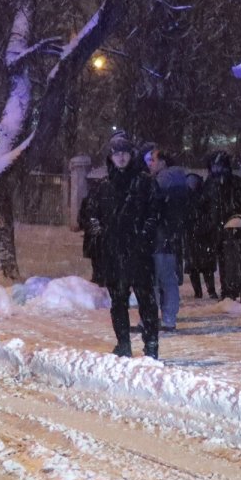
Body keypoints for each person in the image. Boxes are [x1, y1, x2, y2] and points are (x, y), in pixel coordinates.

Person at [78, 131, 162, 359]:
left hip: (139, 253)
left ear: (131, 155)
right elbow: (91, 215)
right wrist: (100, 234)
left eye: (125, 153)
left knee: (146, 300)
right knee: (118, 302)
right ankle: (123, 343)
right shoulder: (104, 186)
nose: (121, 158)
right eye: (117, 154)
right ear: (111, 158)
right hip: (114, 254)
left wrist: (143, 236)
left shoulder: (144, 182)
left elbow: (154, 213)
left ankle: (151, 345)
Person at [196, 150, 241, 301]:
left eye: (219, 165)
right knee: (221, 260)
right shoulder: (210, 184)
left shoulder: (233, 183)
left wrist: (236, 221)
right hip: (216, 229)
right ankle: (227, 290)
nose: (217, 169)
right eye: (214, 166)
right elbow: (203, 206)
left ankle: (231, 290)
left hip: (232, 228)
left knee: (231, 260)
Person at [147, 147, 191, 330]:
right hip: (171, 238)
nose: (150, 164)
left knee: (156, 279)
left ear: (163, 163)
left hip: (159, 237)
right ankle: (168, 318)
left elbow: (154, 208)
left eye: (153, 160)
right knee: (168, 278)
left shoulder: (162, 182)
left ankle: (157, 318)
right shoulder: (180, 182)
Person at [182, 171, 216, 299]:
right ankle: (200, 291)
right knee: (195, 266)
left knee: (203, 265)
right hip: (195, 235)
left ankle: (208, 291)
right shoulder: (189, 197)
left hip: (201, 234)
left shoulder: (202, 196)